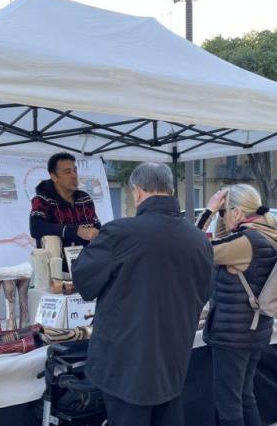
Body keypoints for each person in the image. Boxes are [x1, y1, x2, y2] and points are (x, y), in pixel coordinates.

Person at [72, 162, 212, 426]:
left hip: (124, 364)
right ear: (170, 190)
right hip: (173, 359)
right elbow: (204, 293)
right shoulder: (199, 240)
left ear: (137, 192)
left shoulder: (118, 233)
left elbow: (84, 281)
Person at [196, 184, 277, 426]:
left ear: (236, 212)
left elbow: (193, 247)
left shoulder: (243, 242)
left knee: (228, 404)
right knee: (245, 396)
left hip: (233, 335)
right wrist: (224, 215)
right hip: (255, 329)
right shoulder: (268, 234)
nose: (221, 217)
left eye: (224, 212)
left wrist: (209, 211)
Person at [30, 152, 100, 269]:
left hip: (86, 267)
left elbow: (97, 226)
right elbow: (36, 228)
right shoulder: (42, 200)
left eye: (75, 171)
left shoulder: (85, 198)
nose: (74, 175)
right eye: (67, 172)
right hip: (55, 272)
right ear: (54, 177)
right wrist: (75, 231)